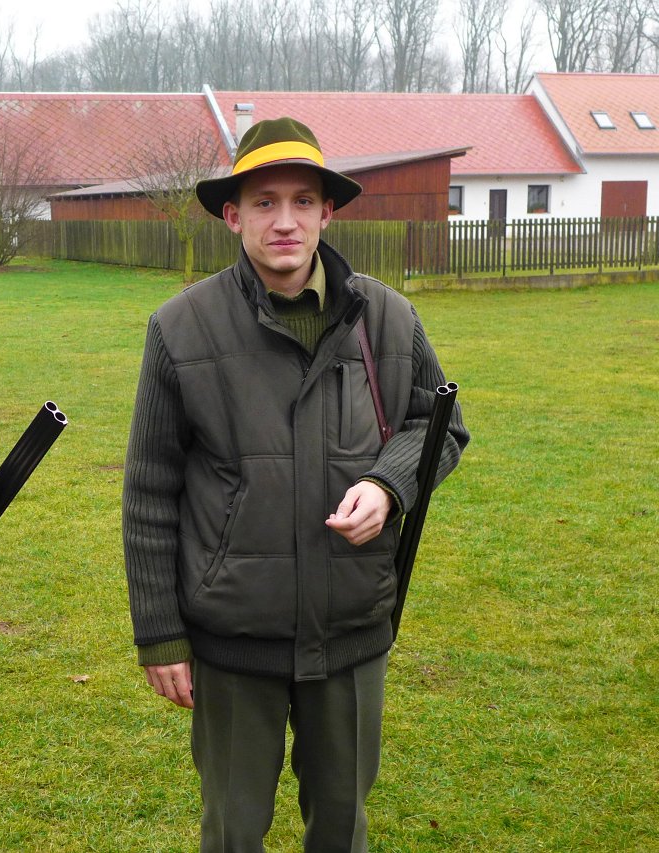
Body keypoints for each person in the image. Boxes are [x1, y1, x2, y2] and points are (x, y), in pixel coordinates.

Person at [121, 116, 468, 852]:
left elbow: (439, 425)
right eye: (265, 202)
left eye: (303, 201)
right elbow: (150, 490)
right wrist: (159, 633)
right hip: (232, 638)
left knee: (341, 826)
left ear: (327, 212)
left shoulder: (389, 317)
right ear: (232, 215)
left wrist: (389, 486)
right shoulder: (180, 328)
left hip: (351, 626)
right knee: (233, 830)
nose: (285, 221)